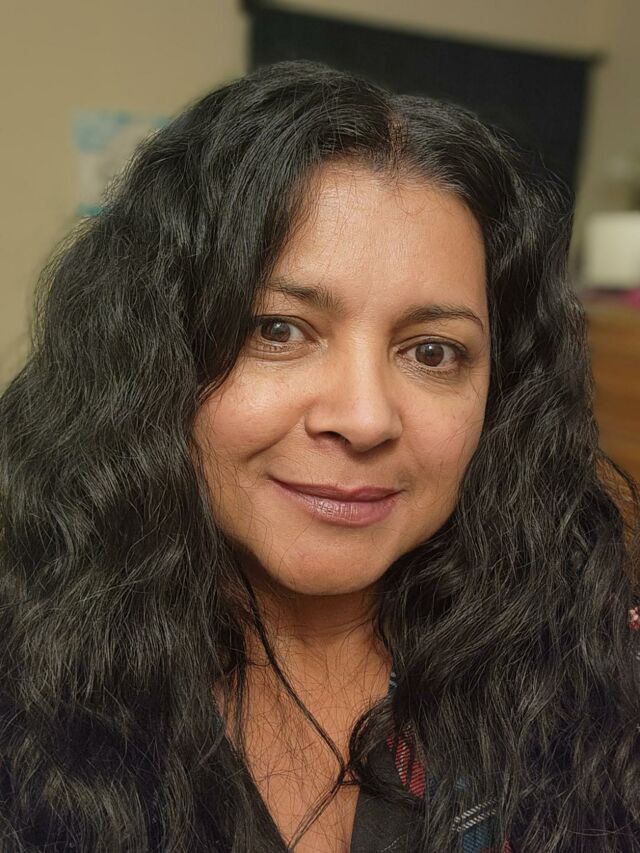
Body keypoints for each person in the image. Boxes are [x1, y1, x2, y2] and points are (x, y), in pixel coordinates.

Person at [0, 59, 638, 853]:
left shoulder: (594, 674)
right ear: (154, 355)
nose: (364, 418)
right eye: (278, 330)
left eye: (433, 351)